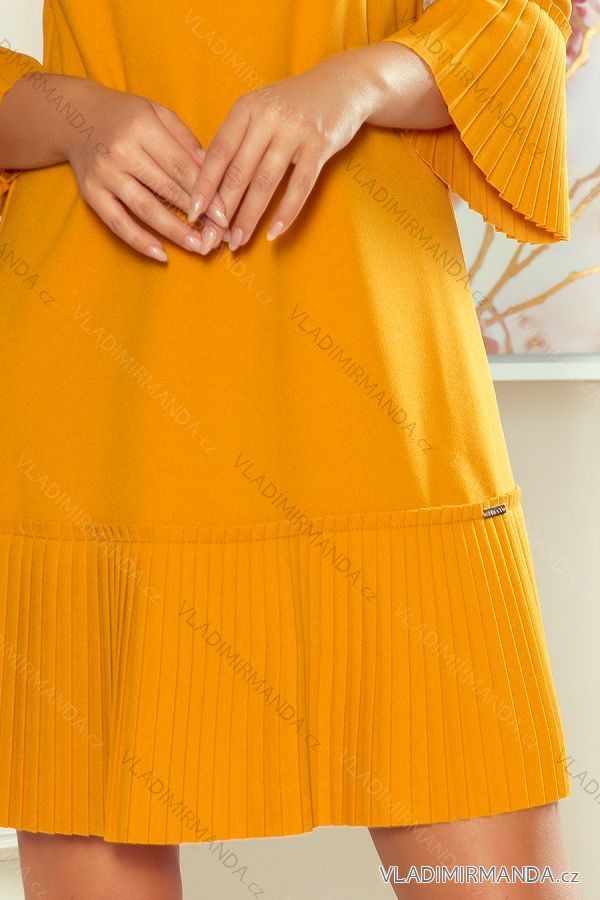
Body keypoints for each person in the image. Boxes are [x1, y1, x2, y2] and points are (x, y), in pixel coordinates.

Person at [0, 0, 580, 897]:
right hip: (101, 384)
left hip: (383, 382)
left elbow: (521, 24)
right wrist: (70, 115)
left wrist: (357, 83)